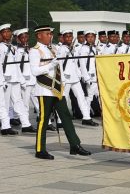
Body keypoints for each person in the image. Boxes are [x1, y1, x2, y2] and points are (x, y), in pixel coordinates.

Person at [29, 26, 89, 160]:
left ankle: (75, 145)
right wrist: (51, 65)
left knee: (66, 116)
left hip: (56, 89)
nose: (50, 36)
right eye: (47, 34)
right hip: (45, 89)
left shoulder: (54, 49)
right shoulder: (35, 51)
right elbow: (35, 71)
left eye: (50, 34)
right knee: (44, 120)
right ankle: (40, 149)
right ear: (39, 36)